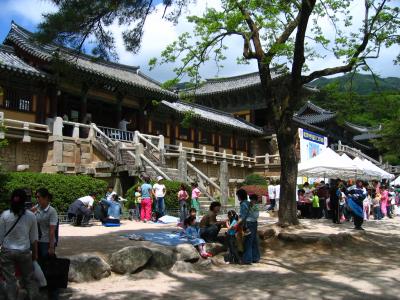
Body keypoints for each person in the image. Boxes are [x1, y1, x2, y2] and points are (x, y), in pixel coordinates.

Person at [0, 189, 39, 300]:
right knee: (30, 279)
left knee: (10, 280)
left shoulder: (5, 215)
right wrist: (35, 254)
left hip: (7, 251)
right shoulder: (31, 216)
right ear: (25, 201)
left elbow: (0, 237)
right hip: (24, 252)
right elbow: (34, 238)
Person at [33, 188, 59, 300]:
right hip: (36, 242)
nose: (37, 199)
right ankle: (43, 288)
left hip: (46, 242)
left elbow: (52, 230)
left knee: (49, 269)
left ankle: (53, 293)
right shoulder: (36, 208)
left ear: (46, 198)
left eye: (39, 197)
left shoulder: (52, 211)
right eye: (36, 197)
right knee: (38, 266)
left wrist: (51, 246)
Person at [237, 191, 260, 265]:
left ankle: (247, 259)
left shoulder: (243, 204)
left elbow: (243, 216)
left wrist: (236, 224)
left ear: (240, 196)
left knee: (248, 241)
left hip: (248, 224)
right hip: (254, 223)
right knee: (253, 240)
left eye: (238, 196)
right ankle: (255, 257)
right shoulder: (248, 203)